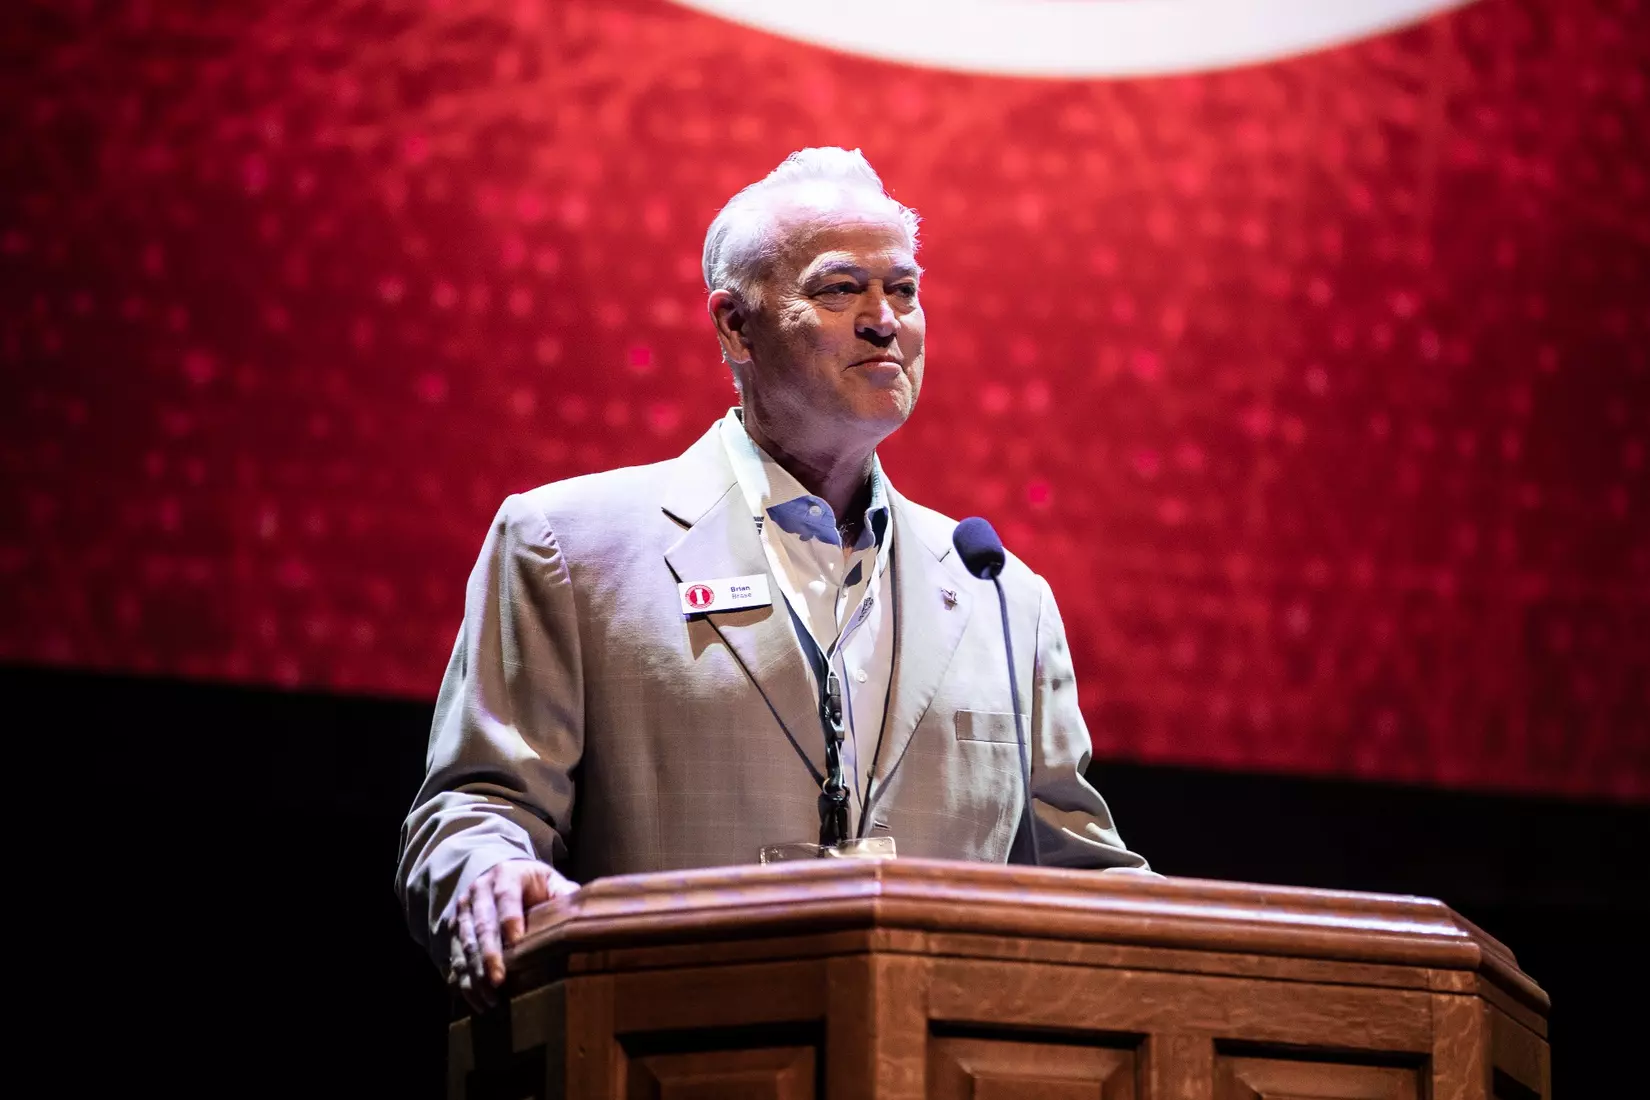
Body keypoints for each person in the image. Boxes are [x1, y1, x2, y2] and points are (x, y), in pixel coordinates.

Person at [397, 147, 1147, 1010]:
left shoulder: (1004, 595)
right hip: (669, 1050)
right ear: (734, 327)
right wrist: (486, 875)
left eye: (902, 290)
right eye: (840, 289)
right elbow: (474, 813)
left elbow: (1085, 881)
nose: (884, 320)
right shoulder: (569, 549)